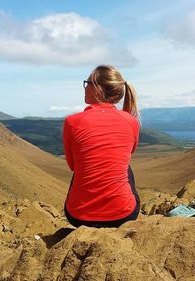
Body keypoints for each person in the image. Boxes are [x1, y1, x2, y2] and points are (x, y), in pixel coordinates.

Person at [63, 65, 140, 228]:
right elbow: (127, 155)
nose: (85, 88)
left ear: (96, 88)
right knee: (126, 167)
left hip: (78, 217)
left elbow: (73, 166)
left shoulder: (72, 122)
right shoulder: (131, 121)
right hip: (124, 216)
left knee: (81, 167)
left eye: (87, 83)